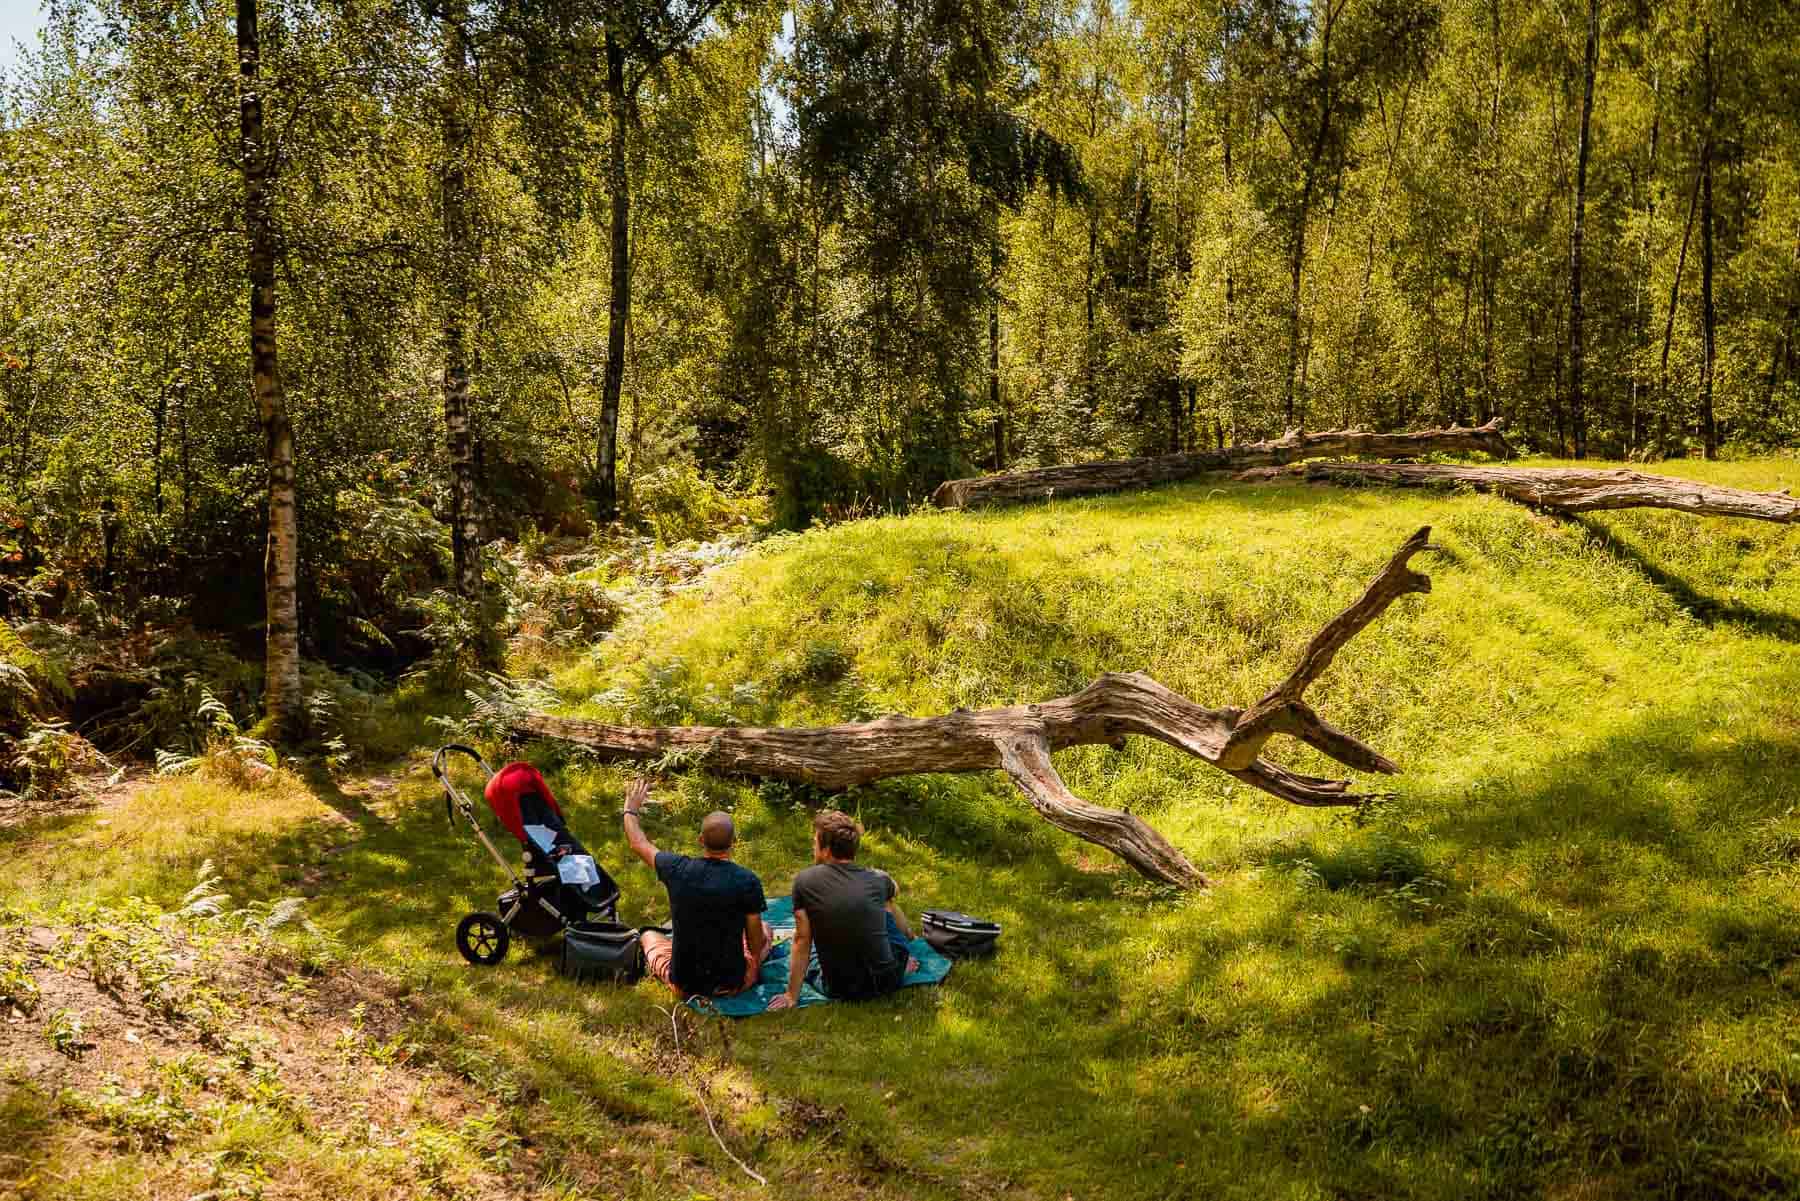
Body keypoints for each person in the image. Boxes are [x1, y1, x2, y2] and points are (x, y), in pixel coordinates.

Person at [621, 777, 769, 998]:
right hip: (731, 983)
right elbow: (756, 940)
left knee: (649, 935)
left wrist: (630, 810)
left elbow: (638, 843)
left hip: (684, 983)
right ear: (734, 842)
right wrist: (754, 966)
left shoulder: (676, 869)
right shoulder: (747, 881)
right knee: (764, 929)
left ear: (701, 840)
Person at [768, 810, 919, 1011]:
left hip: (839, 988)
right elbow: (894, 890)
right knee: (884, 904)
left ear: (826, 850)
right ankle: (909, 946)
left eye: (815, 842)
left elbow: (802, 940)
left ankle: (904, 951)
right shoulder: (877, 878)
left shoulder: (805, 882)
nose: (813, 847)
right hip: (889, 982)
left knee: (809, 945)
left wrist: (791, 995)